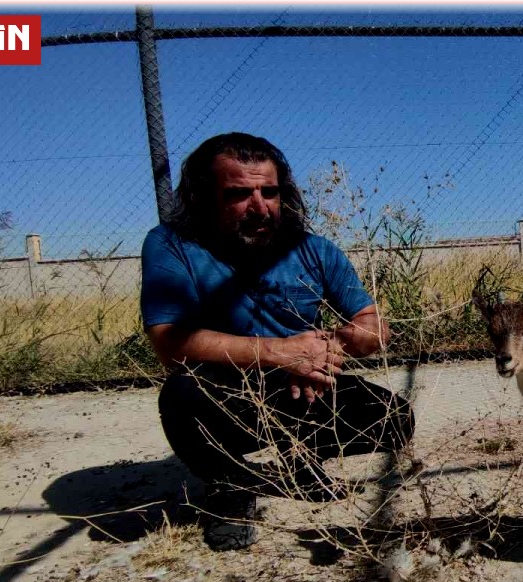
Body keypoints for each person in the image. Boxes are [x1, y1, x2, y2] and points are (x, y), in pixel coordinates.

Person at [141, 132, 414, 551]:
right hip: (227, 394)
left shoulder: (313, 250)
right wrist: (279, 354)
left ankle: (300, 457)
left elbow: (375, 326)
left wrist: (327, 350)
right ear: (203, 197)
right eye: (238, 193)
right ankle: (230, 486)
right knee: (182, 394)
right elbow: (168, 342)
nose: (259, 206)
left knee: (396, 419)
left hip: (302, 388)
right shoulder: (172, 245)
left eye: (269, 191)